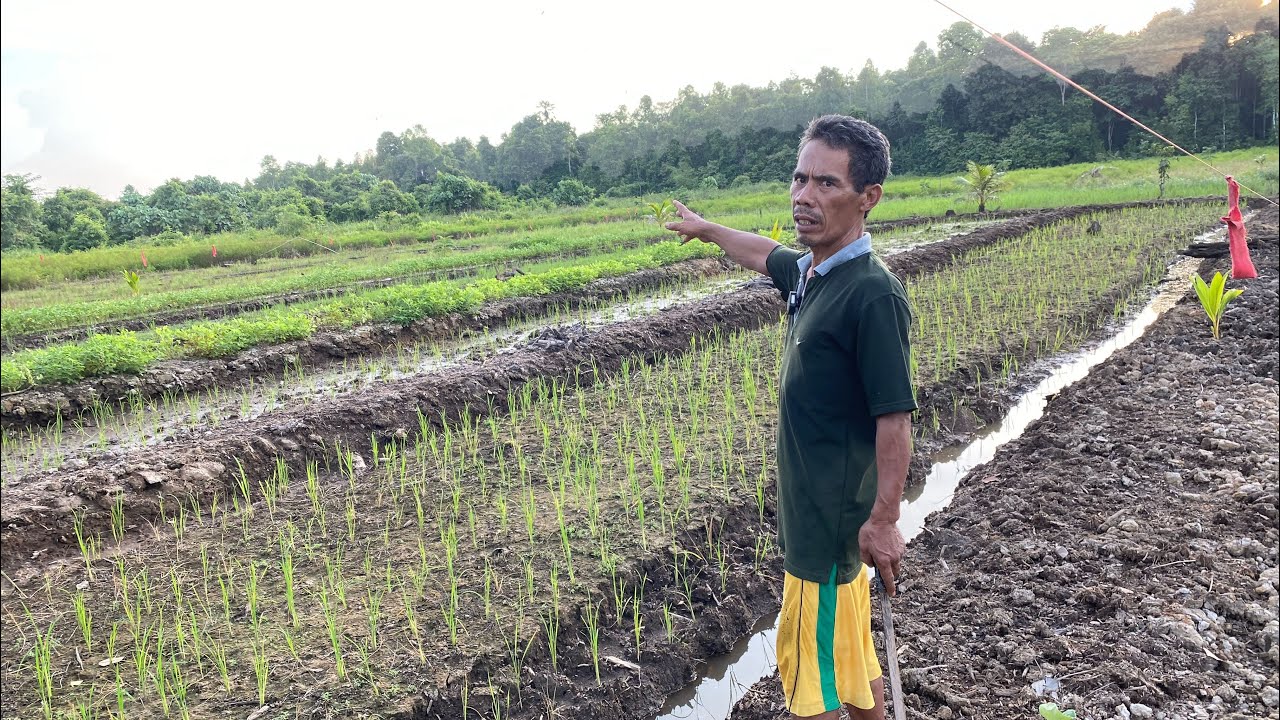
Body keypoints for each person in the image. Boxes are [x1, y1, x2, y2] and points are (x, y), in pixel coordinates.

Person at [666, 114, 915, 720]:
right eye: (800, 179)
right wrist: (707, 230)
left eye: (827, 183)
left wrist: (885, 519)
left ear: (868, 198)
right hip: (823, 523)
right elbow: (764, 253)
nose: (805, 196)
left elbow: (895, 420)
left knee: (810, 679)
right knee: (850, 656)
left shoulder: (870, 293)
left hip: (828, 531)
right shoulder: (813, 273)